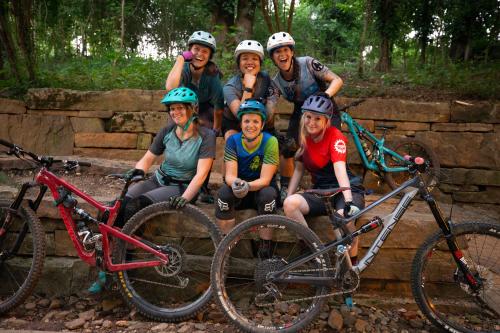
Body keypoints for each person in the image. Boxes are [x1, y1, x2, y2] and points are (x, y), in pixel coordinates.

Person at [88, 87, 215, 293]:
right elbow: (148, 160)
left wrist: (186, 197)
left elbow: (201, 174)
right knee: (110, 211)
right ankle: (106, 267)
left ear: (193, 109)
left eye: (180, 108)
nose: (175, 113)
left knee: (133, 208)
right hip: (158, 179)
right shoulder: (167, 131)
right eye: (172, 109)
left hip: (181, 186)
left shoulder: (206, 136)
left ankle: (122, 270)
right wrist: (136, 172)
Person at [283, 94, 364, 265]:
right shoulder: (304, 137)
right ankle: (315, 253)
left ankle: (352, 268)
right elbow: (298, 169)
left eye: (317, 119)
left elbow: (340, 169)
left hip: (345, 189)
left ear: (326, 120)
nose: (311, 122)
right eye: (308, 117)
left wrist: (348, 201)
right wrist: (287, 196)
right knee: (290, 205)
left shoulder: (335, 137)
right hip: (321, 190)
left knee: (343, 218)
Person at [266, 31, 344, 199]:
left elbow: (337, 80)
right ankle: (286, 188)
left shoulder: (308, 63)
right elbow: (270, 108)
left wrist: (326, 95)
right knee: (288, 148)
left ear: (292, 52)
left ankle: (335, 186)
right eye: (277, 52)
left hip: (325, 104)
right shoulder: (276, 82)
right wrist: (266, 123)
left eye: (285, 50)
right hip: (301, 109)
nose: (282, 55)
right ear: (272, 58)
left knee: (329, 145)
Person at [215, 99, 279, 259]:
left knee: (268, 195)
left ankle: (265, 247)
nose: (251, 125)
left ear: (262, 125)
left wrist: (247, 186)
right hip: (240, 190)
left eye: (256, 121)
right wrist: (236, 183)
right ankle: (225, 245)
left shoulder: (271, 141)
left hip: (260, 189)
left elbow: (265, 180)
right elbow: (230, 175)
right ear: (241, 124)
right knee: (223, 194)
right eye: (247, 121)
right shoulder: (233, 141)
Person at [165, 31, 224, 202]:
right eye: (196, 49)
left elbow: (219, 107)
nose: (200, 54)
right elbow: (170, 88)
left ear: (210, 56)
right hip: (183, 107)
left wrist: (216, 128)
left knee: (207, 138)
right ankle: (172, 177)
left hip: (206, 108)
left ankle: (202, 187)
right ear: (189, 50)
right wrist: (180, 59)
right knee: (173, 133)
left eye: (205, 51)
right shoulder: (183, 68)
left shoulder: (212, 76)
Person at [222, 40, 279, 140]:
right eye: (245, 59)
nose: (250, 62)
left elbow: (269, 114)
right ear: (239, 63)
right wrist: (248, 87)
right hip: (234, 124)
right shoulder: (230, 87)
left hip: (262, 124)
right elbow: (240, 116)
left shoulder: (266, 80)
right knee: (233, 140)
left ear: (260, 63)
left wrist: (257, 129)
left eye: (254, 59)